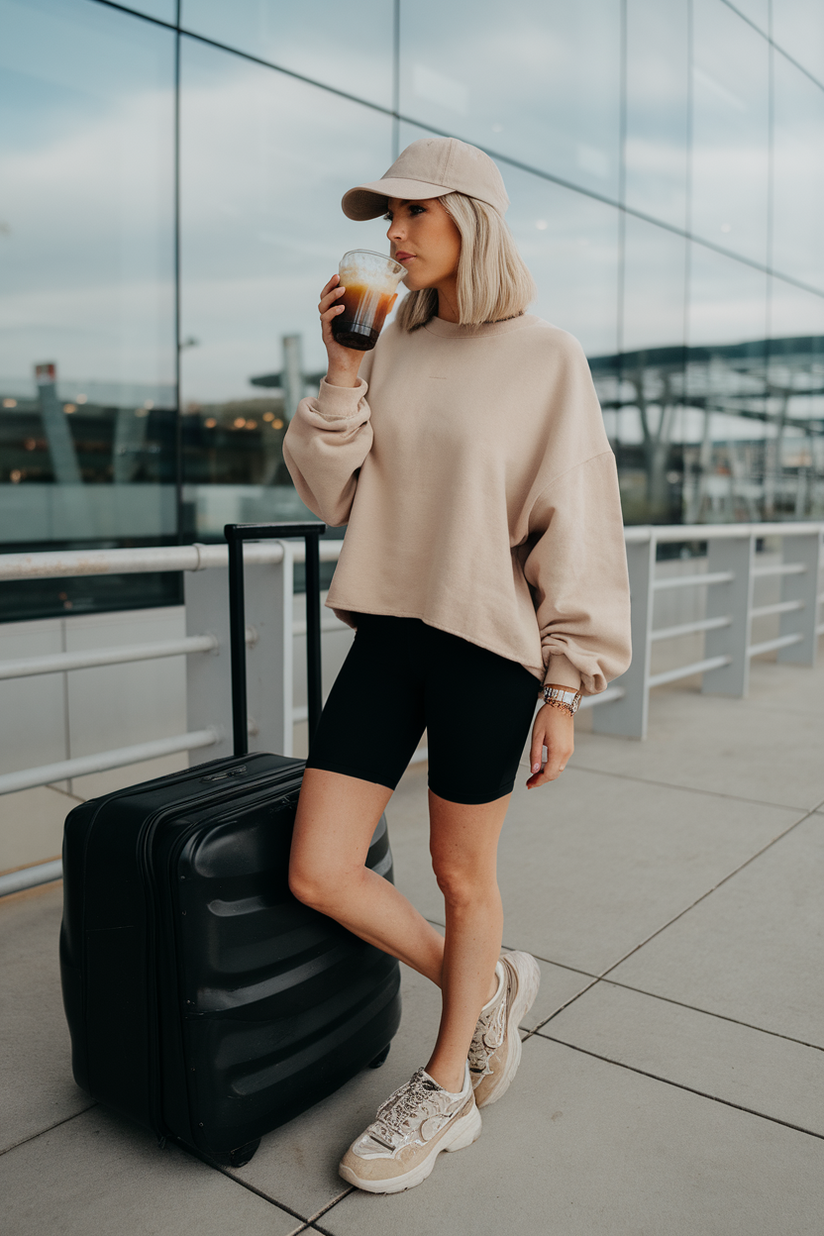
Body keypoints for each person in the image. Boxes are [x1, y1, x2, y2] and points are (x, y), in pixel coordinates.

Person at [283, 136, 631, 1194]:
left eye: (410, 215)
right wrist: (344, 371)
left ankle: (442, 1088)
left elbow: (577, 522)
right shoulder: (388, 341)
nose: (389, 237)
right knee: (318, 870)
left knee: (460, 877)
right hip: (387, 633)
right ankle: (484, 991)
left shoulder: (546, 358)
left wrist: (565, 687)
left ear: (469, 221)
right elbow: (324, 490)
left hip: (489, 649)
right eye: (382, 219)